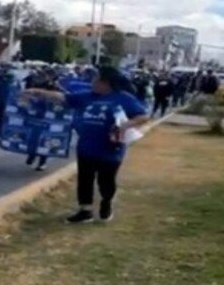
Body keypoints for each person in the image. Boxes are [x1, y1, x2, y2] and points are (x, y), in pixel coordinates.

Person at [22, 66, 149, 224]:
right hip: (86, 147)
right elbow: (62, 98)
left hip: (110, 150)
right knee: (84, 180)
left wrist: (126, 125)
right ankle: (85, 211)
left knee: (106, 182)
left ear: (106, 82)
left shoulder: (123, 98)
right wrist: (36, 92)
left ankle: (106, 203)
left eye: (96, 79)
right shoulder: (87, 96)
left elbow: (143, 117)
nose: (93, 82)